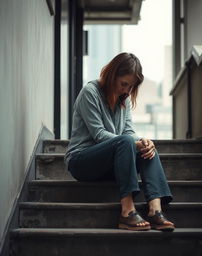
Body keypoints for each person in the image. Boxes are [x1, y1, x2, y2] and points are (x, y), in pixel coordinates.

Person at [64, 52, 175, 231]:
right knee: (126, 142)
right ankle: (127, 212)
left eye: (130, 87)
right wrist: (132, 143)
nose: (126, 90)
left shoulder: (125, 99)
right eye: (124, 84)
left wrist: (143, 142)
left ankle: (155, 210)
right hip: (82, 162)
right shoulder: (90, 92)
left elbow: (129, 132)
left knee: (148, 150)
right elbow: (99, 134)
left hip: (111, 163)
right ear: (112, 75)